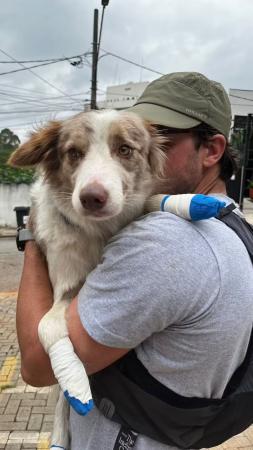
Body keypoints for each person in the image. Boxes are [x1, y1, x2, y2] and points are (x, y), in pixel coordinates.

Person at [16, 72, 253, 450]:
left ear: (211, 150)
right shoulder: (229, 224)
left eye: (131, 146)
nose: (149, 145)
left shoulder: (166, 242)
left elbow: (35, 365)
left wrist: (32, 238)